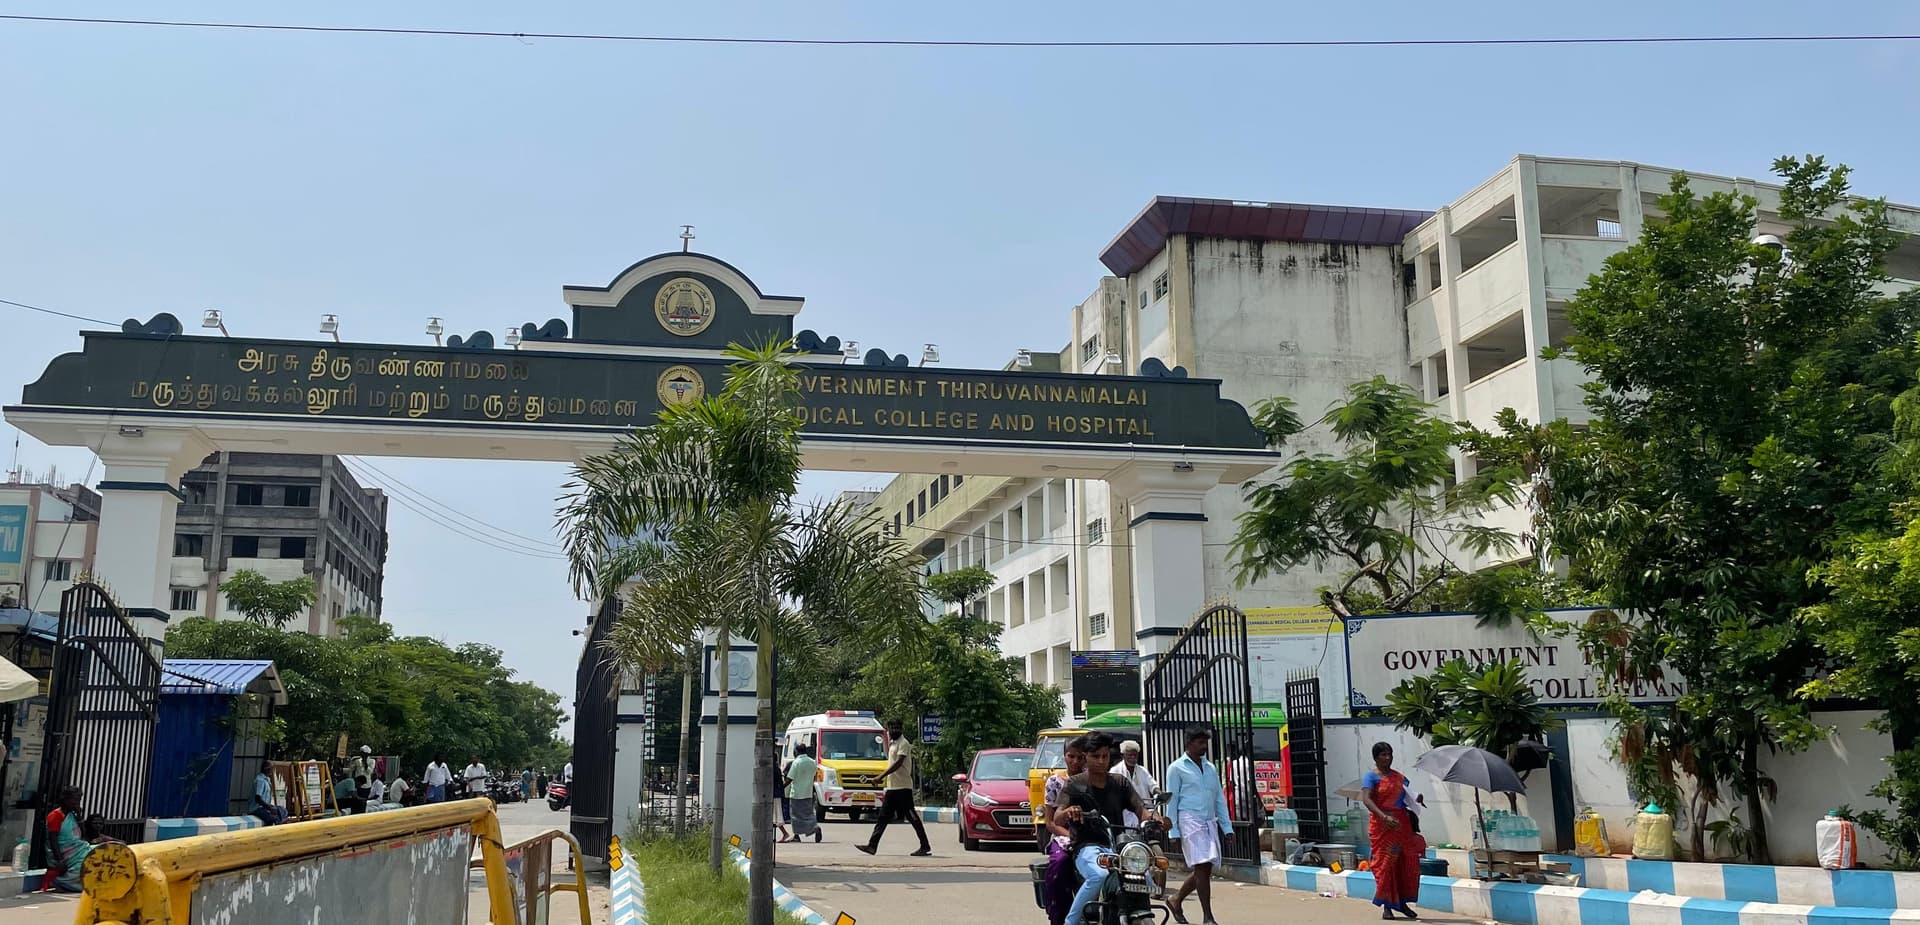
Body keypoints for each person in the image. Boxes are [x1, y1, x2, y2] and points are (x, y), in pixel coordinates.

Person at [1058, 732, 1162, 925]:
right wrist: (1069, 811)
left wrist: (1156, 818)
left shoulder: (1119, 782)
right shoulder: (1075, 784)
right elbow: (1057, 816)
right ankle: (1071, 921)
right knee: (1099, 875)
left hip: (1118, 847)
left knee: (1144, 876)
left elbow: (1141, 809)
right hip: (1087, 847)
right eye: (1095, 756)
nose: (1101, 761)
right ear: (1085, 757)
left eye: (1105, 756)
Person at [1165, 725, 1233, 925]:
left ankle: (1176, 899)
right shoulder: (1176, 768)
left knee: (1205, 868)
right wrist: (1173, 831)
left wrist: (1227, 827)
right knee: (1202, 865)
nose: (1204, 746)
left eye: (1206, 743)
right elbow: (1172, 800)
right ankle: (1208, 917)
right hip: (1189, 821)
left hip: (1208, 821)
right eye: (1200, 742)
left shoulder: (1210, 768)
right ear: (1188, 743)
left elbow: (1218, 798)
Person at [1361, 742, 1421, 921]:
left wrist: (1417, 798)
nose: (1387, 758)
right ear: (1376, 757)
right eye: (1383, 755)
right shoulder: (1370, 777)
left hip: (1401, 826)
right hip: (1382, 827)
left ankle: (1402, 903)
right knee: (1385, 865)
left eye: (1390, 754)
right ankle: (1387, 906)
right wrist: (1383, 816)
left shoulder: (1400, 778)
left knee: (1406, 864)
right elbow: (1366, 799)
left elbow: (1409, 798)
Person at [856, 720, 930, 857]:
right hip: (892, 787)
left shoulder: (904, 744)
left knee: (912, 817)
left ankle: (925, 846)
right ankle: (872, 846)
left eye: (897, 727)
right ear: (888, 729)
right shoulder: (892, 744)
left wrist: (880, 776)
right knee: (883, 817)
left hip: (903, 787)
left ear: (902, 728)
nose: (895, 729)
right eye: (892, 727)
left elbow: (898, 763)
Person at [1041, 736, 1090, 925]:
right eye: (1071, 756)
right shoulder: (1055, 782)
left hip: (1093, 836)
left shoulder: (1093, 780)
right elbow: (1050, 822)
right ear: (1064, 756)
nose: (1075, 761)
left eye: (1080, 757)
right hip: (1064, 837)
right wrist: (1071, 835)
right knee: (1060, 863)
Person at [44, 787, 95, 892]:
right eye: (74, 800)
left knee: (98, 852)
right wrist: (60, 860)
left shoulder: (72, 815)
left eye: (79, 800)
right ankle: (63, 882)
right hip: (63, 852)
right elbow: (53, 840)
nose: (76, 803)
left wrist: (79, 817)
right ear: (65, 799)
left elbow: (83, 835)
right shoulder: (56, 816)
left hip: (76, 848)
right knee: (87, 859)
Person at [1112, 739, 1159, 828]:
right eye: (1130, 755)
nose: (1133, 757)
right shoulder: (1115, 771)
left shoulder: (1142, 770)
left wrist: (1159, 792)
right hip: (1125, 814)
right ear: (1123, 755)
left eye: (1135, 755)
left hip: (1144, 812)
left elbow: (1153, 785)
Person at [784, 744, 822, 843]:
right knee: (808, 814)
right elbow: (814, 776)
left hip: (797, 793)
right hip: (808, 793)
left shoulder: (796, 763)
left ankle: (797, 835)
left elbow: (790, 778)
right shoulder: (812, 762)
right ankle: (815, 827)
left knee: (795, 816)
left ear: (796, 751)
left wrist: (782, 787)